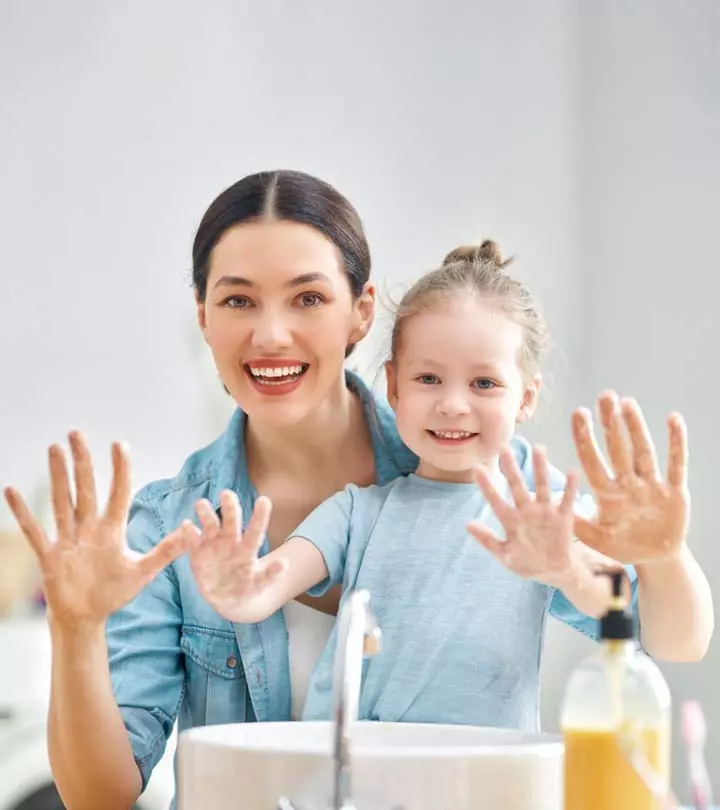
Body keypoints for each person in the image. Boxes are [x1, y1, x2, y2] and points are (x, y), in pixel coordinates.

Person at [2, 171, 711, 810]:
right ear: (203, 318)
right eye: (238, 300)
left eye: (308, 297)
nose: (271, 333)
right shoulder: (168, 522)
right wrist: (75, 626)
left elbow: (670, 637)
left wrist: (664, 555)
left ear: (361, 313)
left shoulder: (501, 487)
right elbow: (100, 795)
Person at [180, 240, 714, 730]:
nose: (453, 404)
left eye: (484, 383)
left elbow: (679, 641)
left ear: (526, 397)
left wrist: (652, 557)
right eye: (428, 378)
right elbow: (272, 583)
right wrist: (241, 590)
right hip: (353, 782)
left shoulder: (544, 515)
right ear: (392, 384)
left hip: (483, 786)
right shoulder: (357, 512)